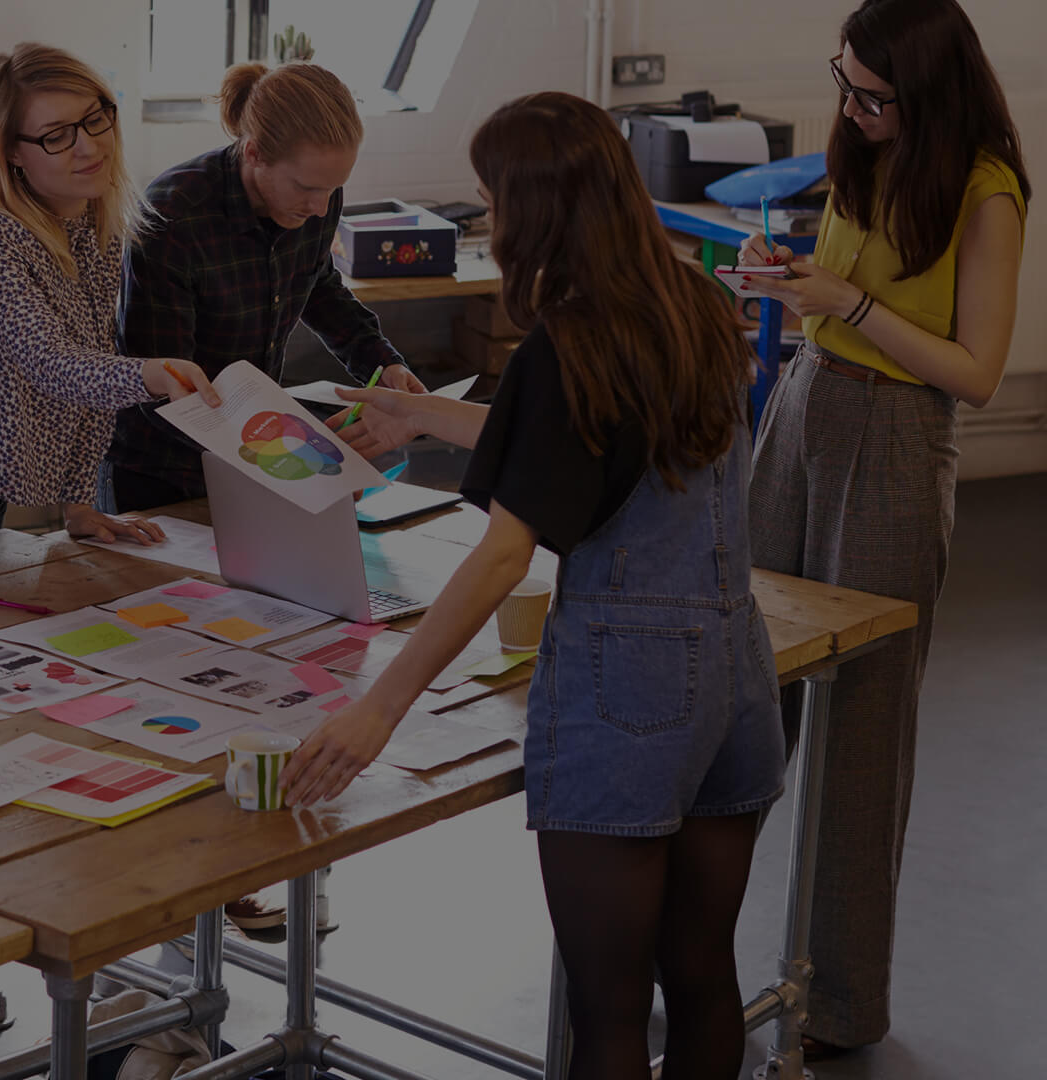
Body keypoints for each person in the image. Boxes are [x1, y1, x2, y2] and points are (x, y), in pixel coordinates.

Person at [281, 92, 784, 1080]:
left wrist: (379, 708)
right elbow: (588, 438)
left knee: (608, 1010)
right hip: (737, 677)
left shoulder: (571, 340)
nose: (490, 217)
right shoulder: (691, 300)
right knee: (701, 975)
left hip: (632, 690)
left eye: (492, 198)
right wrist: (422, 415)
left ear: (535, 208)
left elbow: (505, 554)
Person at [735, 0, 1027, 1056]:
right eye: (844, 83)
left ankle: (842, 1005)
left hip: (900, 436)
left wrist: (847, 305)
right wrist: (786, 278)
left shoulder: (986, 190)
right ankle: (680, 947)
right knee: (741, 688)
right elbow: (841, 292)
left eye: (873, 95)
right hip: (805, 405)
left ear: (929, 92)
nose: (853, 108)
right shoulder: (863, 149)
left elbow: (977, 373)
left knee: (863, 727)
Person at [0, 44, 218, 548]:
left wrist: (79, 505)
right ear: (10, 151)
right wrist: (154, 374)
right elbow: (50, 362)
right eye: (57, 136)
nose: (89, 147)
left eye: (94, 119)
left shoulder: (94, 217)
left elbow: (92, 361)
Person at [102, 61, 426, 512]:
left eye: (333, 189)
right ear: (253, 153)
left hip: (256, 453)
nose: (321, 208)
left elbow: (319, 285)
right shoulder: (173, 217)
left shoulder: (315, 197)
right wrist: (298, 462)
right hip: (160, 472)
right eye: (307, 188)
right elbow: (163, 386)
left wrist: (383, 363)